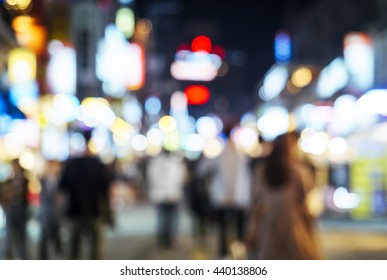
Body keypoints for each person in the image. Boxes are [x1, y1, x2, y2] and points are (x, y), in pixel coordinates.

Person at [245, 131, 323, 260]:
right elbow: (308, 202)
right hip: (295, 226)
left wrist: (252, 229)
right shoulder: (299, 172)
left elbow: (254, 202)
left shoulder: (262, 171)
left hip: (269, 226)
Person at [59, 129, 111, 259]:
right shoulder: (98, 165)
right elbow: (105, 188)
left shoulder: (72, 164)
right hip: (94, 209)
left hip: (75, 209)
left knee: (74, 248)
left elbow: (62, 186)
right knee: (95, 249)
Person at [209, 127, 251, 258]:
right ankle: (238, 251)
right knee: (239, 228)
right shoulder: (242, 157)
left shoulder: (220, 156)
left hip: (224, 199)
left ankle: (224, 251)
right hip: (237, 199)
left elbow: (202, 171)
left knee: (224, 228)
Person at [146, 148, 188, 249]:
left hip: (158, 194)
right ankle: (170, 239)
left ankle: (162, 239)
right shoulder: (176, 164)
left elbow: (150, 179)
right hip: (173, 194)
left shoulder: (154, 164)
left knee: (162, 217)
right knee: (172, 218)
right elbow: (182, 178)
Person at [0, 159, 30, 259]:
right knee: (9, 234)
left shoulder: (24, 179)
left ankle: (22, 256)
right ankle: (7, 255)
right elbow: (4, 194)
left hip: (21, 210)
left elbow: (23, 194)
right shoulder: (9, 180)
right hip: (11, 210)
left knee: (21, 235)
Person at [38, 160, 63, 259]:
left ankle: (59, 252)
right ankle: (43, 257)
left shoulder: (61, 179)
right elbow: (44, 195)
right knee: (44, 235)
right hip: (46, 211)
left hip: (57, 212)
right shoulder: (43, 179)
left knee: (56, 233)